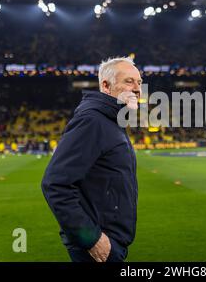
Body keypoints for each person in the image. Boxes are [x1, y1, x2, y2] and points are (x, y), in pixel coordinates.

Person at [41, 57, 142, 262]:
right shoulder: (92, 121)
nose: (137, 88)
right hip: (98, 247)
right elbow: (55, 183)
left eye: (139, 82)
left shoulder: (110, 120)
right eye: (129, 81)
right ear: (106, 85)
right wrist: (91, 239)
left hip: (111, 242)